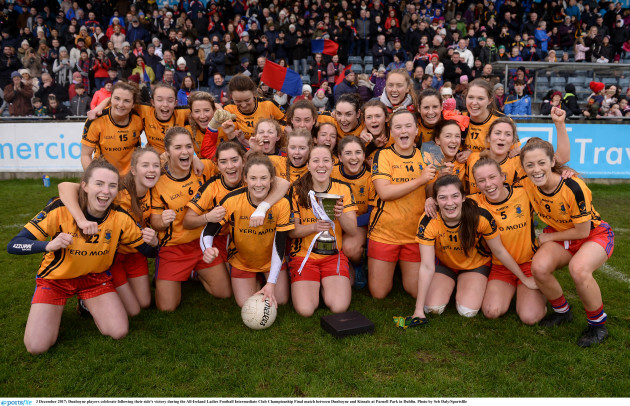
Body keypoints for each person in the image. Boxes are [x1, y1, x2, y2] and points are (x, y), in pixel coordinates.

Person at [7, 158, 158, 354]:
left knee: (119, 331)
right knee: (36, 347)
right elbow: (14, 245)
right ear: (84, 186)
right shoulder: (60, 208)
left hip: (94, 279)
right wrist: (48, 245)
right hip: (56, 280)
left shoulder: (120, 217)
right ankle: (51, 311)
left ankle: (84, 303)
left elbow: (149, 251)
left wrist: (154, 242)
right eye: (99, 184)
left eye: (112, 186)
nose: (106, 191)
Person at [520, 108, 615, 347]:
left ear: (553, 162)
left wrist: (546, 239)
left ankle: (598, 326)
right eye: (529, 165)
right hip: (561, 235)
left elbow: (582, 232)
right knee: (539, 267)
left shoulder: (574, 187)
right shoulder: (526, 184)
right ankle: (563, 311)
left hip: (593, 234)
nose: (536, 169)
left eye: (542, 162)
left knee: (579, 269)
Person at [406, 175, 535, 326]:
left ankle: (463, 286)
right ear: (435, 200)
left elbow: (499, 251)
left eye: (455, 196)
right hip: (446, 265)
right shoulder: (429, 220)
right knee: (432, 308)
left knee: (467, 311)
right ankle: (449, 286)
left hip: (475, 266)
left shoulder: (479, 217)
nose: (449, 203)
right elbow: (427, 266)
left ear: (463, 198)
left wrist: (524, 278)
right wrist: (418, 311)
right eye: (443, 197)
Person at [58, 148, 161, 316]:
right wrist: (80, 219)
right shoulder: (116, 189)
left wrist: (154, 241)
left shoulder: (156, 189)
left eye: (155, 166)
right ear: (133, 170)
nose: (151, 170)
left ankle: (116, 289)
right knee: (132, 310)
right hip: (112, 255)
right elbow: (65, 186)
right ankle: (86, 300)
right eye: (145, 165)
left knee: (144, 302)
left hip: (136, 252)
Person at [150, 127, 229, 311]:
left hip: (204, 243)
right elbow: (155, 222)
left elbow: (231, 168)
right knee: (167, 307)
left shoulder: (205, 169)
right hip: (173, 248)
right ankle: (174, 272)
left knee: (224, 293)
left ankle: (194, 272)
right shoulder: (158, 183)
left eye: (188, 146)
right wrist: (163, 221)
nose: (184, 151)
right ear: (167, 151)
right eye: (178, 147)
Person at [200, 153, 294, 308]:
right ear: (245, 179)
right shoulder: (232, 200)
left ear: (272, 179)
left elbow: (280, 246)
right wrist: (207, 248)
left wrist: (271, 283)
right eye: (253, 178)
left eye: (263, 178)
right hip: (242, 261)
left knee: (281, 300)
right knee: (246, 304)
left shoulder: (283, 203)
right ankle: (256, 280)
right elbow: (208, 231)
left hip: (271, 260)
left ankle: (265, 280)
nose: (258, 184)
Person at [368, 109, 437, 299]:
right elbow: (384, 192)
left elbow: (431, 188)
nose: (403, 131)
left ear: (416, 130)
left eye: (408, 126)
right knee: (379, 293)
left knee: (416, 290)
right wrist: (420, 180)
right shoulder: (382, 156)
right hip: (385, 233)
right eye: (398, 127)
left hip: (415, 234)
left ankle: (401, 271)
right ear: (391, 132)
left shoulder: (427, 155)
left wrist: (431, 195)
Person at [470, 158, 546, 324]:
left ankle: (532, 292)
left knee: (530, 317)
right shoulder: (474, 203)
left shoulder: (524, 192)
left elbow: (548, 175)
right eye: (481, 181)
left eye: (492, 177)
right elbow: (448, 199)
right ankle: (518, 288)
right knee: (491, 311)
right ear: (476, 184)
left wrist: (567, 173)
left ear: (503, 176)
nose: (488, 184)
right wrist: (430, 200)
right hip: (501, 267)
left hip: (529, 263)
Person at [288, 145, 357, 317]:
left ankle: (338, 277)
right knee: (306, 310)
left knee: (338, 307)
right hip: (305, 257)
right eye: (316, 161)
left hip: (333, 256)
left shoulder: (343, 189)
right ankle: (314, 286)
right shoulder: (296, 190)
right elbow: (292, 232)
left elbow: (353, 230)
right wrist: (314, 227)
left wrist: (340, 215)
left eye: (326, 160)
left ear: (332, 164)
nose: (321, 165)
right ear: (309, 165)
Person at [332, 136, 374, 289]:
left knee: (350, 248)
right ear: (340, 157)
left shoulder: (370, 178)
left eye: (358, 152)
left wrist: (349, 222)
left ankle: (358, 265)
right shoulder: (332, 172)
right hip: (333, 221)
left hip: (358, 224)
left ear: (364, 155)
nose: (354, 157)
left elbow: (372, 213)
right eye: (348, 153)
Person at [81, 81, 143, 174]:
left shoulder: (139, 118)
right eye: (117, 99)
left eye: (126, 101)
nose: (120, 104)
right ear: (111, 99)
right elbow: (85, 155)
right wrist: (93, 178)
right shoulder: (96, 120)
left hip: (132, 175)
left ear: (133, 104)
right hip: (105, 175)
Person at [223, 74, 285, 144]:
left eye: (247, 100)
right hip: (241, 149)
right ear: (231, 96)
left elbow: (287, 122)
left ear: (253, 93)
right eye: (238, 101)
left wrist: (273, 129)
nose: (243, 105)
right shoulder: (228, 108)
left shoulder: (268, 104)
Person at [459, 79, 506, 161]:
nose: (474, 103)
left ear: (490, 101)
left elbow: (512, 153)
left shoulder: (502, 122)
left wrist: (473, 155)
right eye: (470, 97)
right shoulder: (459, 118)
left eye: (480, 98)